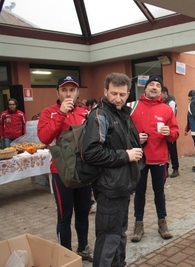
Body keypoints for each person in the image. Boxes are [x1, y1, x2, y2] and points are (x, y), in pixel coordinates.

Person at [81, 73, 143, 266]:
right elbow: (90, 152)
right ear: (105, 91)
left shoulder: (122, 113)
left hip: (122, 185)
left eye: (122, 94)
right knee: (109, 236)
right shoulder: (99, 115)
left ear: (128, 94)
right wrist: (126, 155)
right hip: (109, 188)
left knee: (118, 233)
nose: (118, 98)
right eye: (114, 93)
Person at [37, 75, 93, 261]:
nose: (68, 94)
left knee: (83, 211)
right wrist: (61, 114)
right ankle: (66, 254)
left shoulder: (85, 111)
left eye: (72, 90)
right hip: (61, 172)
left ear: (78, 92)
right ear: (58, 93)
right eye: (64, 90)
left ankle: (83, 248)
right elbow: (44, 138)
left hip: (83, 170)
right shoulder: (48, 112)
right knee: (65, 214)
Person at [128, 76, 179, 242]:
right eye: (152, 84)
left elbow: (175, 133)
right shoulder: (132, 107)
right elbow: (124, 132)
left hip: (159, 158)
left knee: (159, 192)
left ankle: (162, 223)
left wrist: (169, 133)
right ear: (145, 88)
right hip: (139, 157)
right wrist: (136, 138)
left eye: (158, 85)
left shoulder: (166, 109)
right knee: (139, 193)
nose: (155, 87)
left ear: (161, 90)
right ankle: (138, 224)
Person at [161, 86, 180, 178]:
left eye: (161, 93)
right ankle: (165, 170)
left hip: (170, 130)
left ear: (165, 93)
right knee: (165, 151)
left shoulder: (171, 102)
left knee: (172, 151)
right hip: (162, 130)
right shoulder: (161, 103)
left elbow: (170, 115)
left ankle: (175, 169)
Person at [184, 89, 195, 172]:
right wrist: (187, 128)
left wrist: (187, 129)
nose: (189, 101)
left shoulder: (193, 104)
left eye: (189, 99)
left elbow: (190, 118)